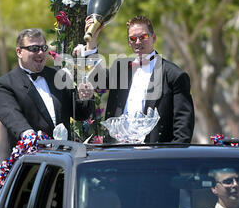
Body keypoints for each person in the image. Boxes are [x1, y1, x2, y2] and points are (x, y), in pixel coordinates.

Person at [75, 15, 194, 143]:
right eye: (133, 38)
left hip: (152, 154)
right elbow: (96, 80)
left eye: (143, 37)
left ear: (153, 38)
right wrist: (92, 42)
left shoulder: (174, 75)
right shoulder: (121, 67)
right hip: (117, 151)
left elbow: (183, 128)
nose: (138, 42)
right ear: (128, 42)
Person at [0, 28, 94, 152]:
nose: (40, 53)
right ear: (19, 52)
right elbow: (10, 114)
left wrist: (85, 97)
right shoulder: (5, 84)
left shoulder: (59, 76)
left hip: (65, 160)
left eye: (43, 48)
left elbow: (80, 114)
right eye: (34, 49)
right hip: (31, 161)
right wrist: (28, 134)